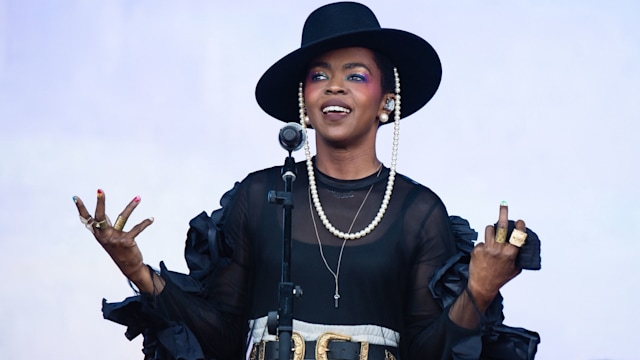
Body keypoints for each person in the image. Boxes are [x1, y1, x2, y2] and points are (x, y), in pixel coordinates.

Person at [73, 2, 539, 359]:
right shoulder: (258, 198)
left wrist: (479, 288)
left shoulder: (419, 212)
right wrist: (136, 270)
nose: (335, 87)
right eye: (320, 75)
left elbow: (426, 351)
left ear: (386, 102)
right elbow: (219, 335)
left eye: (355, 75)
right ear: (305, 101)